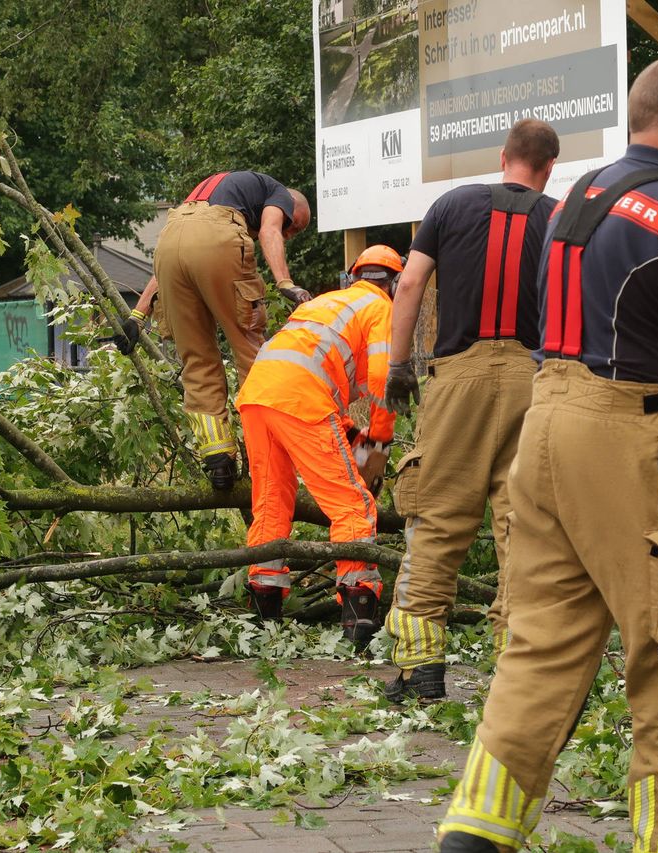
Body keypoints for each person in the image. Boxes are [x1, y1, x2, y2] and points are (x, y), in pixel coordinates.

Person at [435, 57, 658, 853]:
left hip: (545, 427)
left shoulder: (577, 199)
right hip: (630, 433)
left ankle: (474, 832)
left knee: (540, 644)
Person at [382, 118, 560, 703]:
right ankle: (519, 674)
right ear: (549, 168)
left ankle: (420, 669)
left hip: (458, 378)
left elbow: (408, 286)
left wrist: (398, 365)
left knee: (437, 518)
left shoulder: (451, 205)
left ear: (503, 156)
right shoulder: (559, 217)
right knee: (525, 526)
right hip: (536, 383)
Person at [235, 245, 402, 651]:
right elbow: (382, 379)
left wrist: (348, 432)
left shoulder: (328, 301)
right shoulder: (381, 308)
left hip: (258, 395)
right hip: (302, 398)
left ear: (355, 274)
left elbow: (308, 363)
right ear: (394, 283)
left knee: (271, 503)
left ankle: (264, 622)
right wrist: (377, 442)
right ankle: (359, 620)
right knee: (353, 505)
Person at [149, 171, 313, 491]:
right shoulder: (279, 192)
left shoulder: (205, 197)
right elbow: (268, 230)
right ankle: (263, 452)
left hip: (168, 243)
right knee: (251, 351)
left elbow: (168, 264)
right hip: (219, 239)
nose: (290, 234)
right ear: (288, 207)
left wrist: (136, 315)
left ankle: (218, 459)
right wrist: (285, 283)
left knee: (196, 359)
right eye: (294, 226)